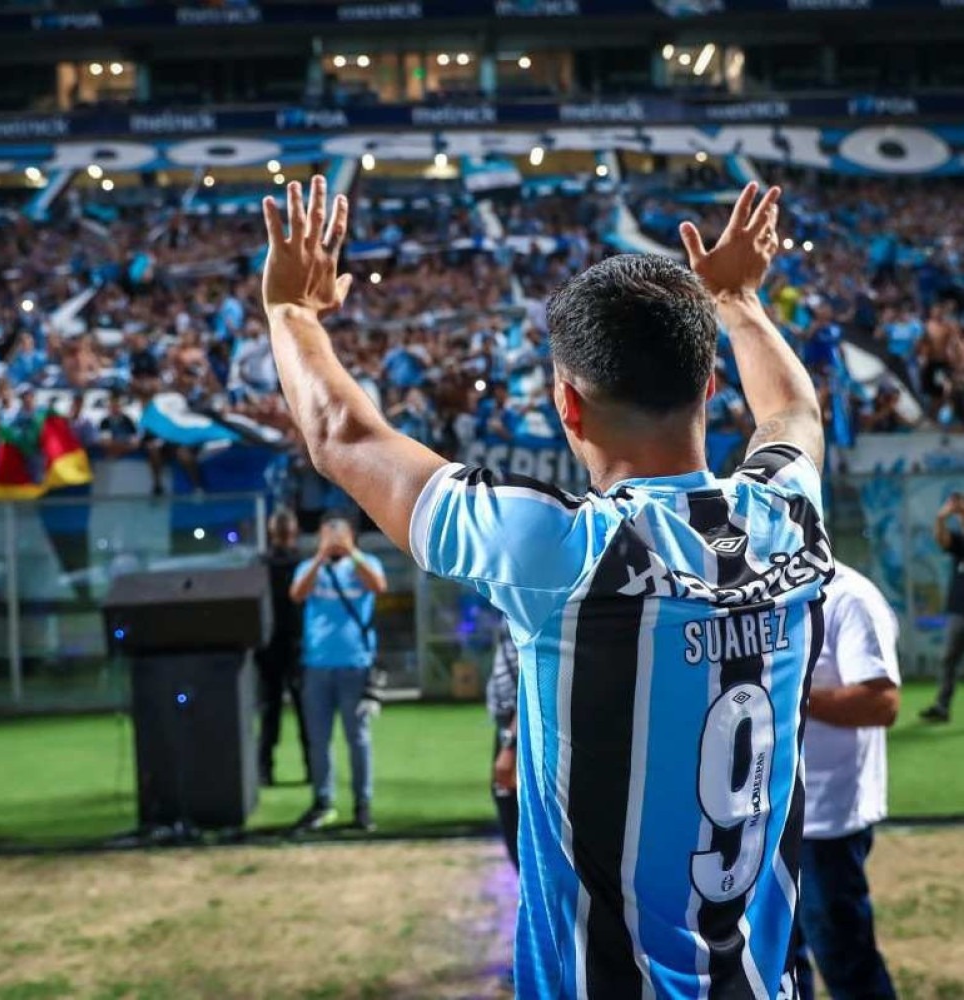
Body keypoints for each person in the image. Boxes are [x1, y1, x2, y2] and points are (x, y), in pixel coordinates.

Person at [263, 177, 831, 995]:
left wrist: (291, 311)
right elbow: (793, 416)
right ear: (711, 385)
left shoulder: (562, 549)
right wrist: (737, 299)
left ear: (568, 403)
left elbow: (341, 433)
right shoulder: (787, 515)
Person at [797, 560, 901, 999]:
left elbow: (881, 704)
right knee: (775, 959)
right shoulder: (754, 591)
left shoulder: (849, 596)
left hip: (827, 818)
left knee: (844, 957)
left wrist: (789, 695)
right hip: (764, 816)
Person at [289, 512, 387, 833]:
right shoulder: (310, 568)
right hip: (316, 667)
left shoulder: (364, 564)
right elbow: (297, 594)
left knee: (357, 739)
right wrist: (320, 556)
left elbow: (379, 586)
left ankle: (363, 804)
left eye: (338, 536)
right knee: (318, 740)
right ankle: (322, 802)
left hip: (355, 666)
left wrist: (351, 552)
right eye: (325, 536)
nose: (331, 542)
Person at [256, 508, 310, 788]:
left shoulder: (260, 565)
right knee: (305, 711)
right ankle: (313, 768)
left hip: (268, 646)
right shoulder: (302, 564)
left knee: (270, 711)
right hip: (297, 643)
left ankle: (264, 770)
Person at [920, 492, 964, 722]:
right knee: (949, 658)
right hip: (958, 610)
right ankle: (942, 706)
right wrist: (940, 518)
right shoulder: (959, 540)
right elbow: (943, 540)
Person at [486, 617, 520, 871]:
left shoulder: (529, 591)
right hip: (510, 722)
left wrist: (511, 742)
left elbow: (532, 673)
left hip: (520, 724)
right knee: (507, 801)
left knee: (514, 808)